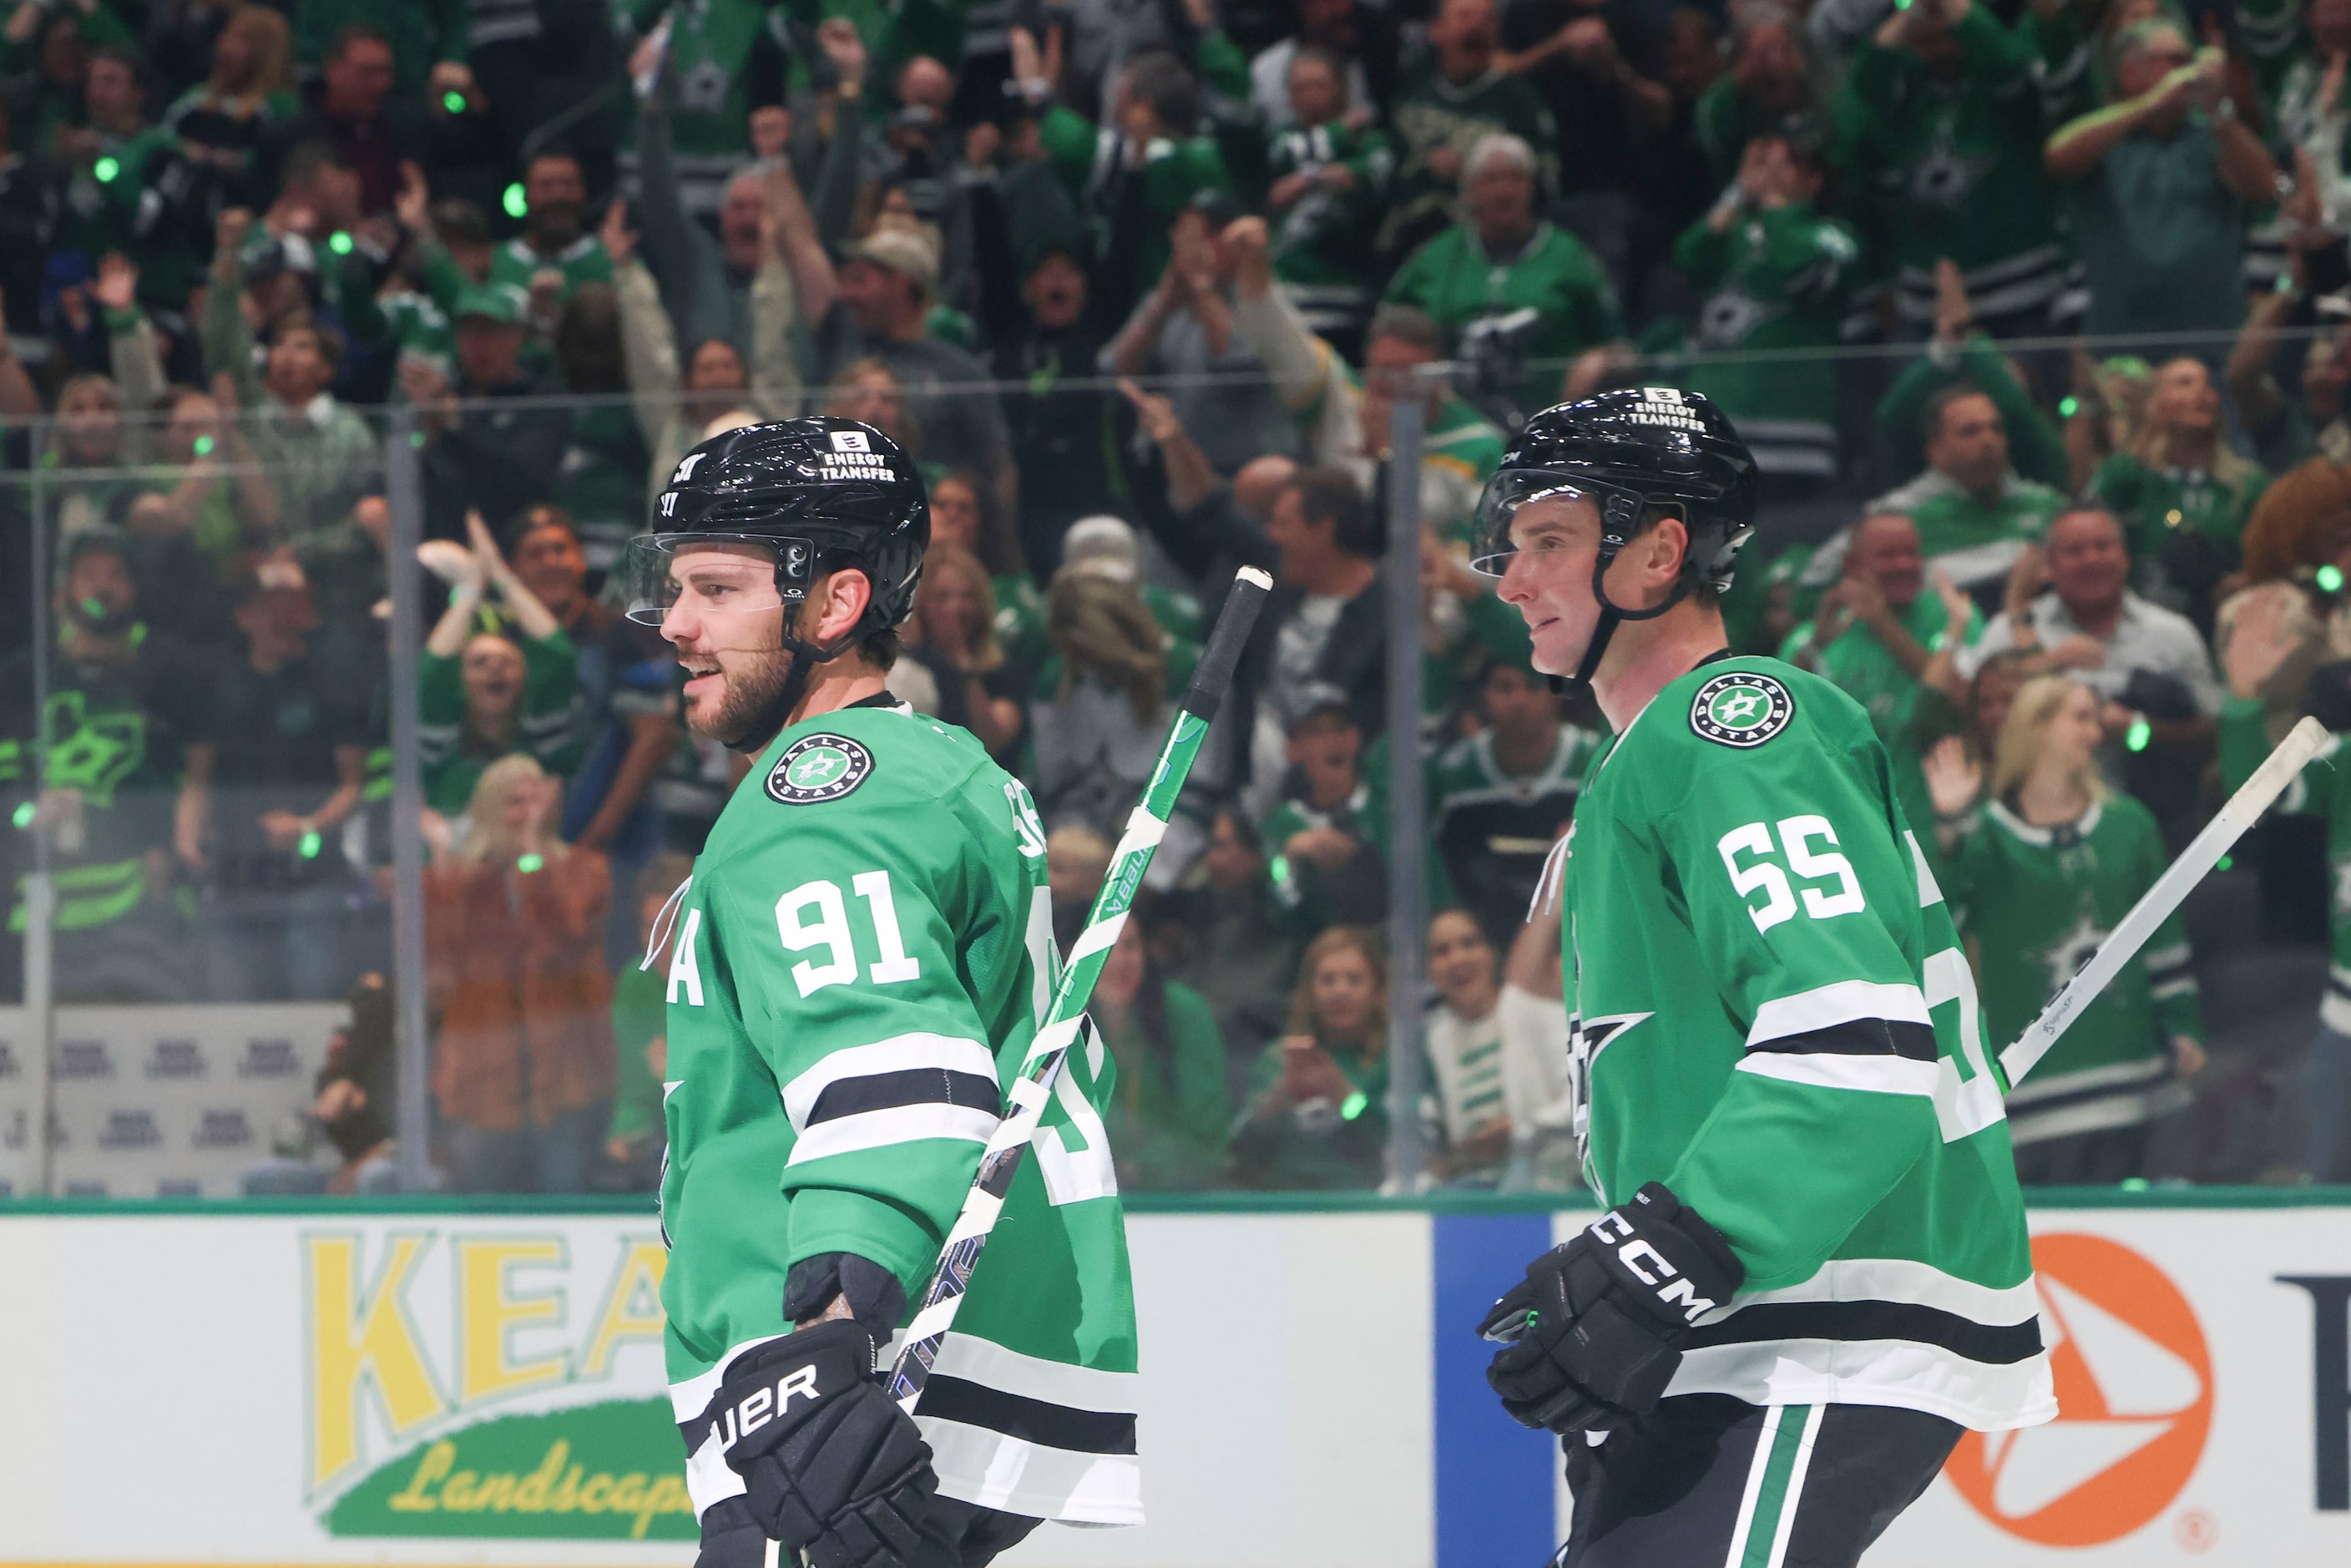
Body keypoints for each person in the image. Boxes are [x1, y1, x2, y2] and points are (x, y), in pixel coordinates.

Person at [1469, 387, 2051, 1561]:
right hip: (1737, 1323)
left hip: (1811, 1324)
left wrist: (1667, 1254)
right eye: (1511, 545)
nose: (1511, 578)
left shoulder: (1737, 723)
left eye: (1550, 541)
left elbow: (1860, 1044)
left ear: (1659, 550)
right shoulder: (1647, 766)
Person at [625, 417, 1141, 1565]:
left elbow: (896, 1067)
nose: (677, 623)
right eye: (676, 588)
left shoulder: (819, 797)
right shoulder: (940, 765)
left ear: (834, 601)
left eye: (716, 588)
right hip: (928, 1364)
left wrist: (829, 1349)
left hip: (842, 1387)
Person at [1927, 675, 2207, 1182]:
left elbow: (2162, 939)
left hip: (2133, 1084)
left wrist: (2183, 1023)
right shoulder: (1986, 838)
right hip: (2033, 1096)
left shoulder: (2130, 824)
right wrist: (1948, 826)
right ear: (2036, 728)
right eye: (2080, 718)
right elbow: (1937, 922)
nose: (2095, 734)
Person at [423, 753, 618, 1193]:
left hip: (564, 1075)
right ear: (491, 809)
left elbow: (566, 943)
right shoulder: (466, 881)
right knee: (482, 1209)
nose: (529, 813)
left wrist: (534, 857)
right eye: (515, 802)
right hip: (482, 1081)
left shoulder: (584, 870)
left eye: (537, 800)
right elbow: (437, 966)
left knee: (563, 1199)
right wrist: (440, 859)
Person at [1959, 507, 2222, 831]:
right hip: (2031, 827)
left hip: (2155, 824)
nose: (2091, 560)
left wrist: (2138, 729)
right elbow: (1970, 719)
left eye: (2103, 547)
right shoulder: (2008, 632)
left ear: (2125, 557)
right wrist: (2046, 663)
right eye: (2074, 551)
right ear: (2049, 565)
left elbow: (2213, 734)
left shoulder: (2173, 635)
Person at [195, 558, 371, 1002]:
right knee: (232, 1016)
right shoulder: (218, 686)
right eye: (268, 606)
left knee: (315, 1003)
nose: (280, 617)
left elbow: (354, 783)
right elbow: (198, 776)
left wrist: (309, 826)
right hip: (234, 877)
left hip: (313, 878)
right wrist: (187, 837)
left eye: (292, 606)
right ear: (244, 615)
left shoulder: (335, 683)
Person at [2045, 19, 2274, 353]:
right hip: (2123, 343)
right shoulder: (2105, 138)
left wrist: (2219, 112)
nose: (2189, 70)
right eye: (2175, 60)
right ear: (2130, 72)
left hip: (2214, 338)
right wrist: (2152, 102)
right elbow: (2057, 158)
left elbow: (2270, 186)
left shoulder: (2212, 134)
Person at [2221, 595, 2351, 1178]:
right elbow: (2255, 801)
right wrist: (2244, 703)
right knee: (2317, 1189)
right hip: (2345, 1017)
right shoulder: (2343, 761)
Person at [1383, 133, 1626, 419]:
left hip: (1552, 423)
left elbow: (1616, 346)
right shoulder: (1435, 257)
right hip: (1453, 421)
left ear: (1532, 187)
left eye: (1516, 178)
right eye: (1492, 179)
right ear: (1470, 189)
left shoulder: (1569, 256)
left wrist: (1593, 368)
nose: (1504, 191)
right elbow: (1387, 332)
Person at [1781, 513, 1976, 858]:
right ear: (1852, 564)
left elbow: (1969, 703)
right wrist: (1814, 647)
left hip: (1929, 835)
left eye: (1912, 553)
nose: (1904, 564)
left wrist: (1884, 625)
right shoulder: (1816, 636)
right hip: (1839, 837)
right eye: (1888, 555)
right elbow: (1779, 730)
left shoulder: (1952, 618)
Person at [2086, 355, 2269, 634]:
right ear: (2155, 403)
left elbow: (2275, 551)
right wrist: (2148, 429)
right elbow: (2092, 512)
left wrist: (2249, 578)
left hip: (2232, 618)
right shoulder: (2134, 477)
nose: (2202, 393)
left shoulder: (2246, 483)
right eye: (2184, 383)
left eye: (2207, 385)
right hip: (2148, 620)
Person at [1426, 659, 1597, 943]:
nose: (1519, 700)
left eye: (1532, 686)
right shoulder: (1455, 771)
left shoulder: (1594, 760)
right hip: (1480, 938)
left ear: (1556, 693)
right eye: (1505, 687)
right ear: (1485, 696)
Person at [1228, 924, 1391, 1189]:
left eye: (1354, 980)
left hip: (1364, 1203)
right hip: (1282, 1203)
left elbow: (1397, 1147)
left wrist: (1346, 1098)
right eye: (1327, 980)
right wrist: (1279, 1098)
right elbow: (1240, 1152)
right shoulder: (1277, 1059)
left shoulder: (1394, 1061)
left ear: (1377, 990)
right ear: (1309, 991)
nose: (1340, 992)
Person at [1866, 384, 2066, 595]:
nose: (1988, 440)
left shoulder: (2046, 504)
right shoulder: (1894, 516)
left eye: (1995, 429)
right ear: (1936, 451)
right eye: (1970, 432)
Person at [1090, 903, 1231, 1191]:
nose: (1118, 960)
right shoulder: (1053, 1024)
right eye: (1103, 945)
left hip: (1177, 1201)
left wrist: (1143, 1169)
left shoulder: (1184, 1013)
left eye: (1129, 945)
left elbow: (1205, 1128)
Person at [605, 851, 693, 1191]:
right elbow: (633, 1089)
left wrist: (681, 1075)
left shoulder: (731, 979)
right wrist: (625, 1132)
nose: (658, 943)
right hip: (655, 1144)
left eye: (671, 927)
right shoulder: (636, 982)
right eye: (648, 926)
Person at [1421, 908, 1513, 1186]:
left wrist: (1518, 1132)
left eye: (1469, 944)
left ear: (1492, 952)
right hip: (1466, 1182)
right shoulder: (1429, 1039)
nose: (1457, 959)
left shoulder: (1527, 1011)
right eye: (1442, 951)